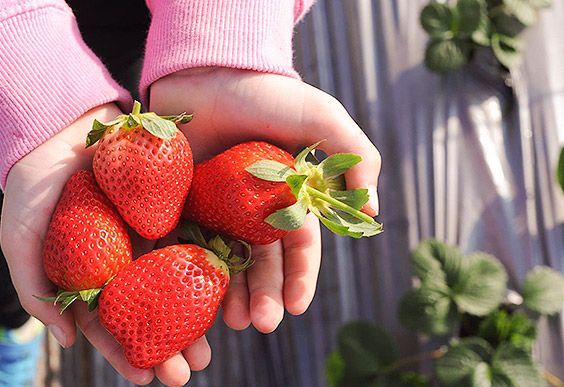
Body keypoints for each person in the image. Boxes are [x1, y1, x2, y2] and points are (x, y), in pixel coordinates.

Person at [0, 0, 381, 385]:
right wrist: (27, 81)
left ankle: (12, 322)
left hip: (145, 26)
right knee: (37, 222)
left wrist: (221, 40)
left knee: (43, 242)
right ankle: (12, 318)